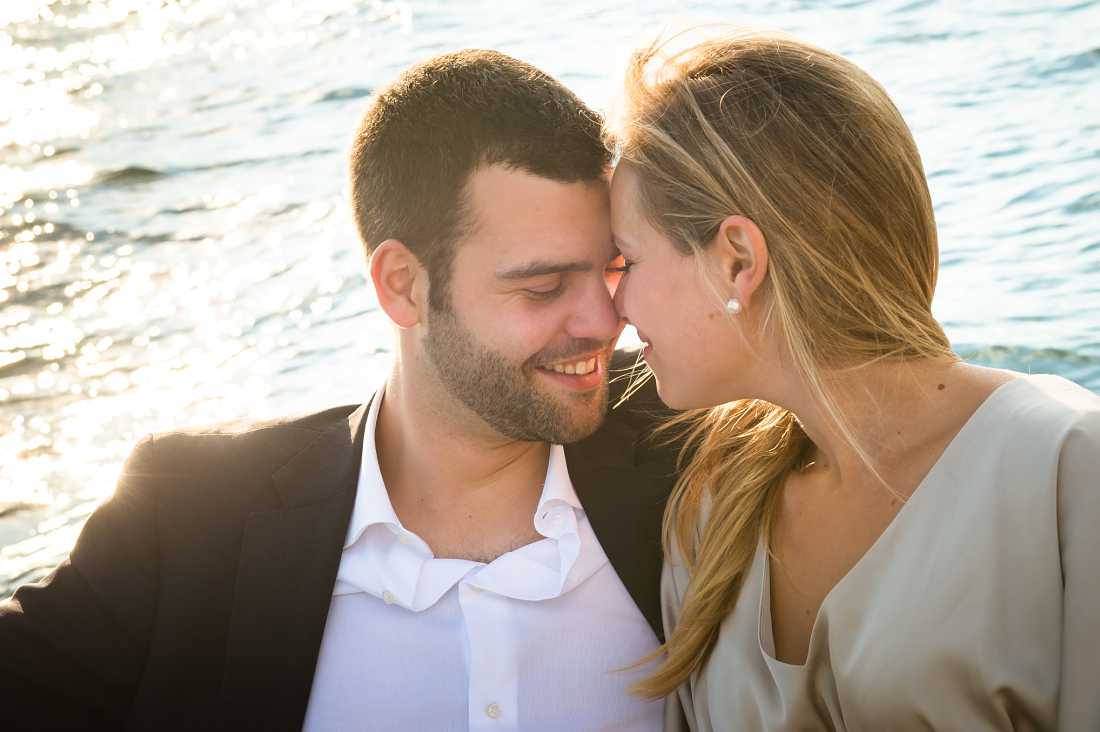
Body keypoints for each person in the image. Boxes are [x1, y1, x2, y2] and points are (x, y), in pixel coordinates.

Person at [0, 50, 677, 731]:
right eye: (543, 287)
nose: (605, 321)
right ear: (403, 285)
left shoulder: (700, 453)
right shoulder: (189, 524)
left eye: (614, 269)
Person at [602, 31, 1100, 731]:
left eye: (626, 260)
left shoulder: (1069, 468)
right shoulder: (712, 513)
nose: (613, 306)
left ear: (737, 260)